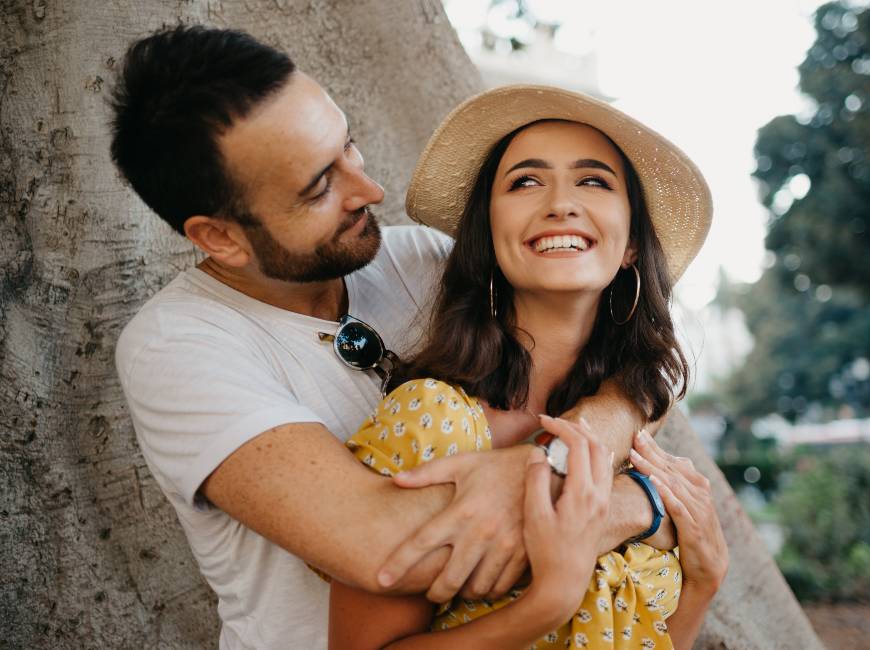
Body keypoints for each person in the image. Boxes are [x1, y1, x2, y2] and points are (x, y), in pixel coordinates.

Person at [109, 26, 695, 649]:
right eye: (318, 187)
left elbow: (630, 366)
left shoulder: (422, 262)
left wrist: (558, 455)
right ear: (220, 237)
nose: (370, 191)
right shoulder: (179, 348)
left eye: (348, 147)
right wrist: (640, 504)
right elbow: (386, 549)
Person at [325, 88, 728, 648]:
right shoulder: (434, 418)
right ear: (489, 237)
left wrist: (705, 582)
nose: (561, 203)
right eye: (525, 182)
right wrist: (546, 603)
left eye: (594, 181)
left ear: (632, 242)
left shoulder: (638, 438)